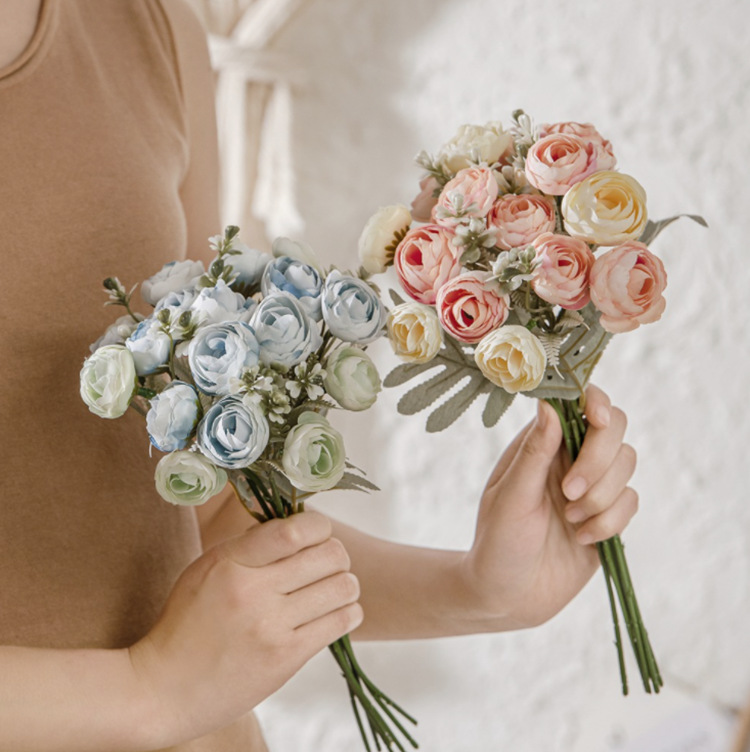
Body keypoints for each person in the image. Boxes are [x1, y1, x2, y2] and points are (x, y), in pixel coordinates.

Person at [0, 1, 639, 750]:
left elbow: (202, 510)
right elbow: (172, 675)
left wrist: (478, 590)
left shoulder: (147, 27)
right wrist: (149, 690)